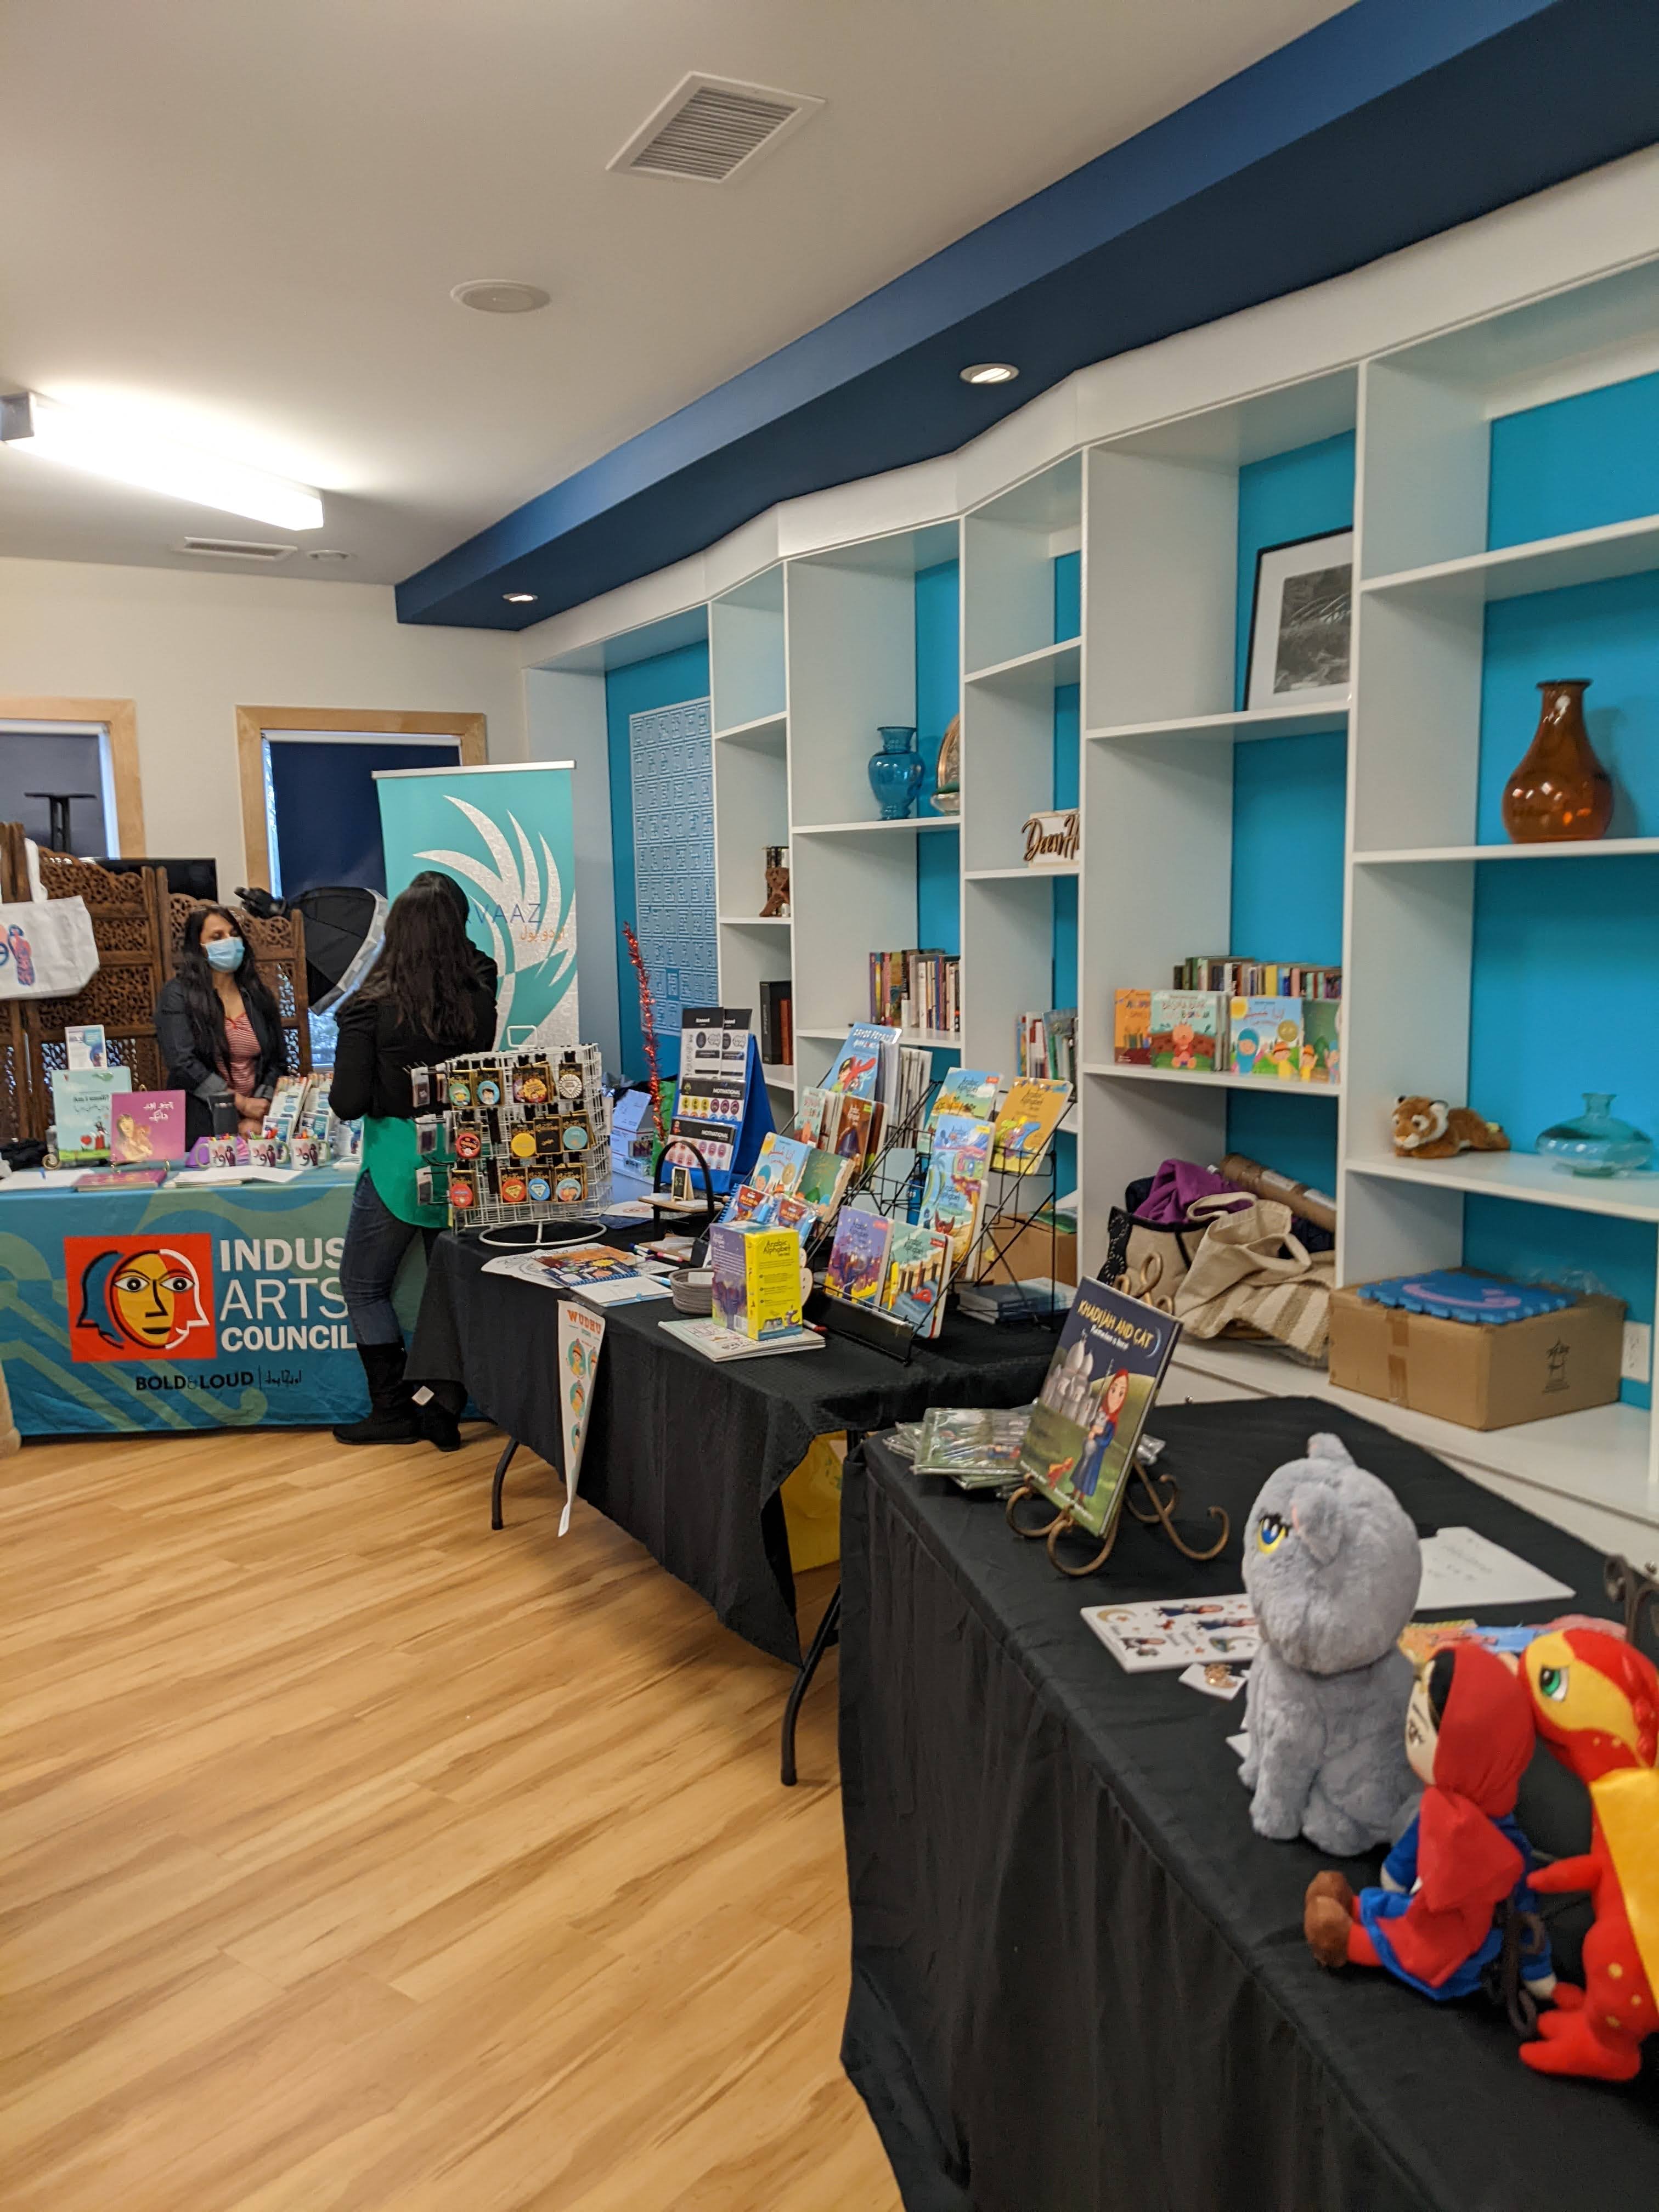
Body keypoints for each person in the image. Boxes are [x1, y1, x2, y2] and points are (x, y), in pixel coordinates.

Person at [328, 874, 495, 1448]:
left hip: (399, 1162)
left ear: (394, 934)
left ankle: (393, 1407)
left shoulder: (369, 1007)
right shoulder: (479, 994)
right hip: (465, 1160)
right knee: (452, 1290)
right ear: (458, 929)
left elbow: (347, 1103)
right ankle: (443, 1410)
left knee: (362, 1284)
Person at [155, 906, 284, 1146]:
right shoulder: (178, 995)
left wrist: (258, 1111)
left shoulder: (257, 994)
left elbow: (277, 1061)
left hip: (257, 1124)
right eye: (217, 937)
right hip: (202, 1121)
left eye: (233, 934)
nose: (230, 941)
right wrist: (240, 1105)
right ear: (198, 947)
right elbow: (183, 1064)